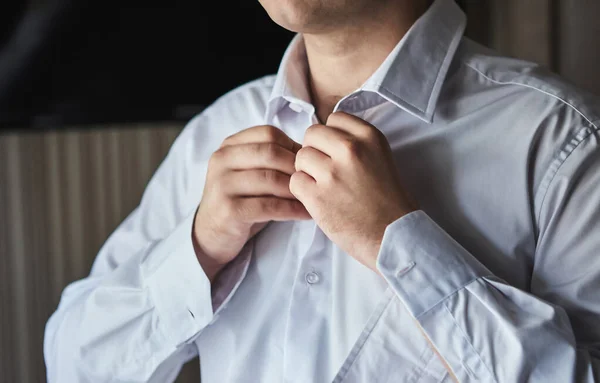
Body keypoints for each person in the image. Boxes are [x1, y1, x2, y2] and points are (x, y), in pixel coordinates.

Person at [44, 0, 600, 381]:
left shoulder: (563, 141)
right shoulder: (215, 134)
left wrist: (402, 245)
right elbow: (73, 365)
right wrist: (200, 250)